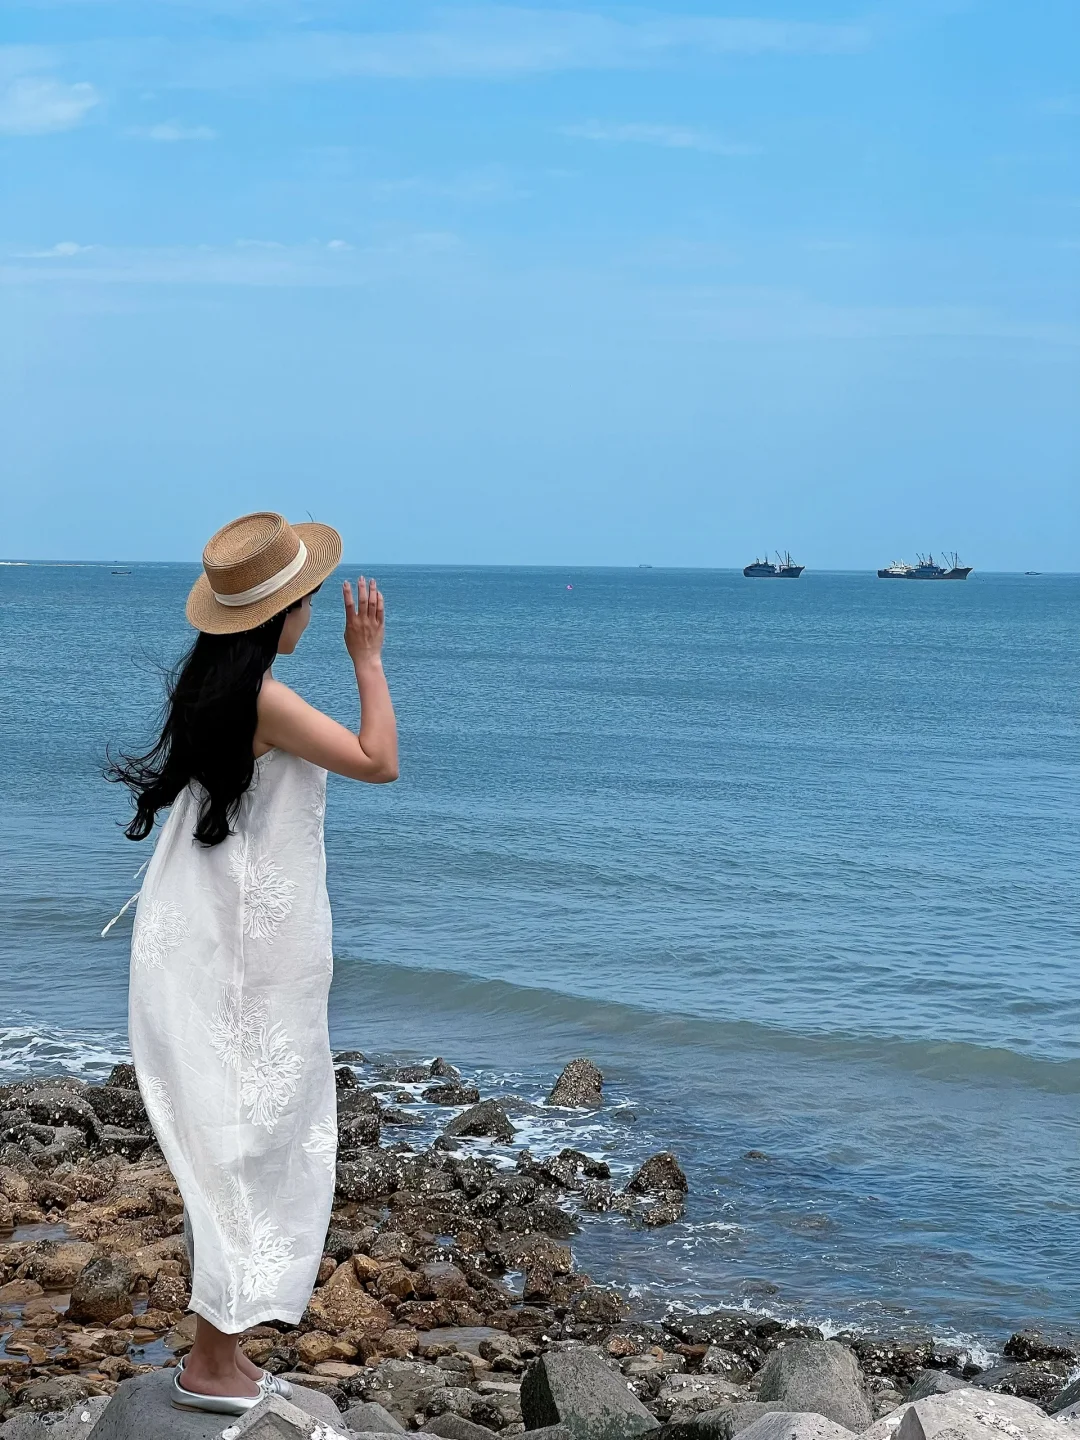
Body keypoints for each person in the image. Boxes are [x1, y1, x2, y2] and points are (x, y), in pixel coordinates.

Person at [108, 511, 398, 1415]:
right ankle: (212, 1363)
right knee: (251, 1141)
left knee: (240, 1141)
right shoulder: (266, 699)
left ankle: (218, 1356)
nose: (314, 610)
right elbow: (378, 760)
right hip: (241, 955)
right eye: (306, 600)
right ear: (283, 614)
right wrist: (370, 660)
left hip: (222, 937)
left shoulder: (214, 684)